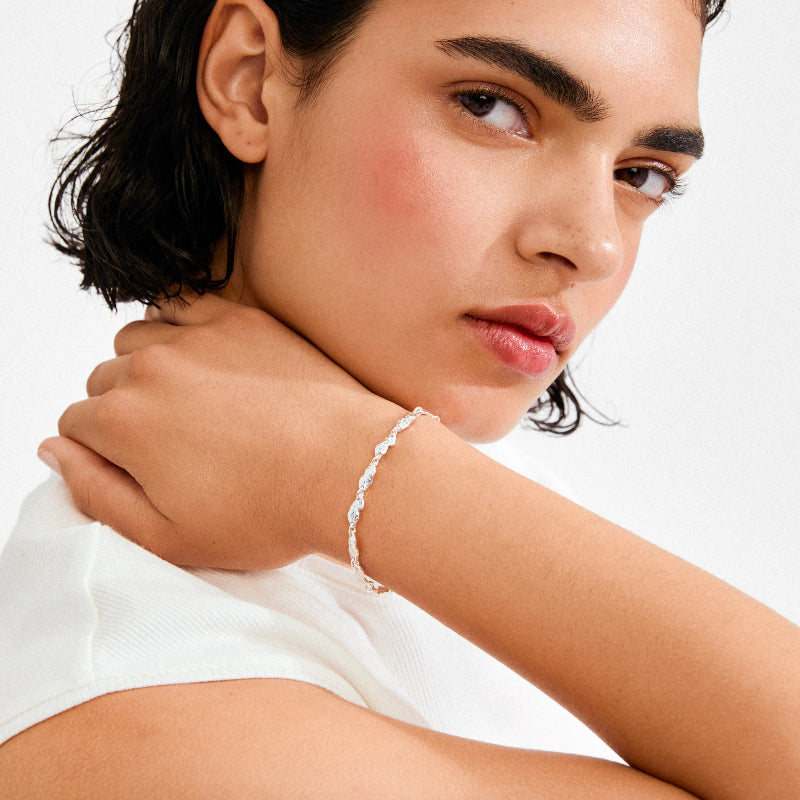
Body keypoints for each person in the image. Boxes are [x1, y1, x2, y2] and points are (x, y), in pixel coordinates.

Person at [1, 0, 798, 797]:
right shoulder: (148, 718)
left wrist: (352, 467)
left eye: (641, 175)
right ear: (247, 81)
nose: (593, 244)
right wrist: (357, 473)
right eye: (492, 107)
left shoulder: (426, 493)